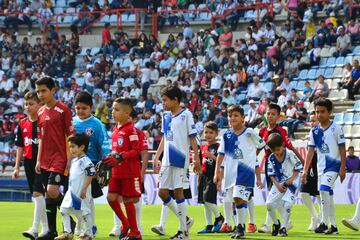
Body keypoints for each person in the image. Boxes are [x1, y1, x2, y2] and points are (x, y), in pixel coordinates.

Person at [152, 85, 201, 240]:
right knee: (162, 193)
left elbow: (193, 138)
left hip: (181, 160)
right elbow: (165, 138)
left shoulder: (186, 115)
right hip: (166, 161)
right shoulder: (166, 116)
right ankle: (185, 220)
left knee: (179, 193)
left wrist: (197, 158)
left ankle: (183, 232)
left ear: (175, 100)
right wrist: (157, 156)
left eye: (165, 100)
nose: (163, 103)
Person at [214, 105, 265, 238]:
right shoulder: (226, 134)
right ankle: (239, 226)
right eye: (230, 116)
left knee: (238, 198)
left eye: (236, 115)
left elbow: (262, 144)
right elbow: (220, 154)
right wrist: (217, 172)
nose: (232, 118)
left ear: (243, 118)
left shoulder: (250, 132)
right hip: (230, 173)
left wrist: (251, 157)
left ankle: (241, 227)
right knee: (234, 200)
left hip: (245, 172)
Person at [35, 76, 76, 240]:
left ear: (53, 90)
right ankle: (51, 231)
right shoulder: (39, 111)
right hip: (44, 159)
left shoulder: (63, 110)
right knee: (47, 194)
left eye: (43, 91)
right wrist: (38, 160)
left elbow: (71, 136)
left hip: (59, 158)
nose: (40, 94)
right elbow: (41, 138)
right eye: (38, 91)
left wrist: (70, 158)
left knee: (52, 191)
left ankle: (71, 220)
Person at [258, 103, 304, 234]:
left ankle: (270, 224)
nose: (270, 116)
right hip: (271, 165)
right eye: (268, 114)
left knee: (279, 197)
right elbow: (257, 148)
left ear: (278, 116)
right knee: (273, 196)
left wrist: (303, 162)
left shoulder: (281, 131)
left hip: (284, 165)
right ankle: (283, 223)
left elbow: (290, 147)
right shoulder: (262, 131)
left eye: (273, 114)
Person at [302, 97, 346, 234]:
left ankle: (322, 222)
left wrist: (343, 168)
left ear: (329, 112)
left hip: (333, 166)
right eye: (317, 112)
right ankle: (333, 226)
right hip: (320, 168)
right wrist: (304, 171)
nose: (319, 114)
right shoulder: (314, 131)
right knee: (328, 196)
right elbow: (310, 152)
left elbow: (342, 149)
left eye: (322, 111)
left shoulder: (336, 128)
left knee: (324, 190)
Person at [102, 98, 142, 240]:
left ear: (127, 113)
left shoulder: (130, 129)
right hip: (116, 171)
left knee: (128, 200)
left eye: (116, 109)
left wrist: (121, 157)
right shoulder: (115, 129)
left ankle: (135, 233)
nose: (113, 112)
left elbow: (137, 150)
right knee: (111, 197)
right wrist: (109, 159)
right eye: (113, 109)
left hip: (128, 171)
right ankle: (125, 223)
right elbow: (115, 150)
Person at [73, 91, 111, 236]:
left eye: (84, 108)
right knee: (75, 197)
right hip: (75, 165)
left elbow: (105, 143)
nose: (81, 111)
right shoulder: (72, 122)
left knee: (87, 198)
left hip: (91, 165)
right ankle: (80, 224)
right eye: (78, 108)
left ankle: (91, 226)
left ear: (91, 108)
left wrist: (106, 160)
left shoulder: (97, 124)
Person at [12, 91, 49, 239]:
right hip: (28, 162)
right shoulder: (22, 124)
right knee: (38, 197)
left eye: (31, 104)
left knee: (37, 194)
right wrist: (16, 167)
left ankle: (34, 228)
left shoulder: (43, 122)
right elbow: (20, 146)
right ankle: (46, 228)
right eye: (26, 104)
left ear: (39, 104)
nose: (28, 107)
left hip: (42, 162)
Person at [55, 133, 95, 240]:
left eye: (73, 146)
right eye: (70, 147)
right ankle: (67, 232)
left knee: (84, 212)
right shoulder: (74, 161)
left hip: (82, 192)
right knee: (63, 209)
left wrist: (84, 188)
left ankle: (87, 234)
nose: (71, 149)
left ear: (82, 147)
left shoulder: (86, 161)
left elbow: (91, 174)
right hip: (72, 192)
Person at [266, 133, 303, 237]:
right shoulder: (271, 158)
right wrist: (277, 185)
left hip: (292, 184)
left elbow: (298, 167)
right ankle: (276, 224)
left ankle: (283, 228)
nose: (276, 152)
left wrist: (292, 178)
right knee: (269, 204)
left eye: (278, 149)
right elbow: (271, 174)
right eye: (273, 150)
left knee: (288, 205)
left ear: (283, 145)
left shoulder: (290, 154)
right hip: (278, 184)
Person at [197, 121, 224, 234]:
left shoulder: (219, 147)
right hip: (203, 176)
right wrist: (199, 178)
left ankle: (219, 218)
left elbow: (222, 162)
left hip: (213, 175)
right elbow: (200, 163)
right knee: (204, 201)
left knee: (208, 198)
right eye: (206, 132)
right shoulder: (203, 147)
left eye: (211, 132)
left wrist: (212, 156)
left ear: (216, 134)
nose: (208, 135)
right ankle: (208, 225)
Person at [300, 111, 322, 231]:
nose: (312, 123)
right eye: (311, 121)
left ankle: (322, 220)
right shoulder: (311, 133)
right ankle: (315, 217)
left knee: (319, 195)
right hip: (310, 164)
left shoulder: (323, 132)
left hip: (320, 164)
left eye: (314, 120)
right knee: (303, 192)